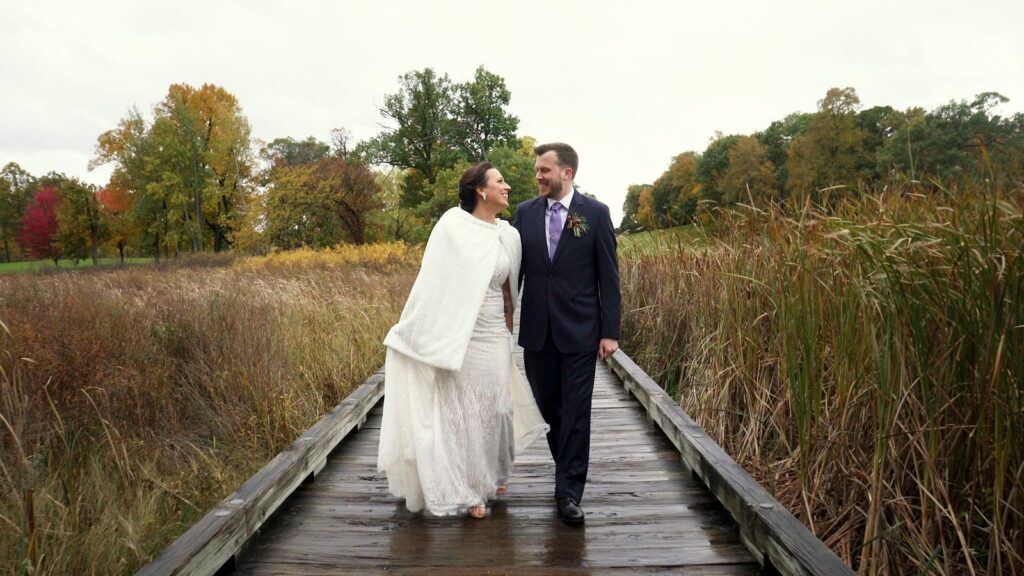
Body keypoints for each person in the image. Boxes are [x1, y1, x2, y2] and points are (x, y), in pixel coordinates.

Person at [377, 162, 549, 519]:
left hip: (493, 333)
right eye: (500, 181)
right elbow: (434, 283)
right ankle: (472, 490)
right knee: (467, 414)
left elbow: (508, 289)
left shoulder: (509, 234)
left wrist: (507, 331)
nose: (507, 187)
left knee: (499, 409)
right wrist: (415, 331)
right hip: (461, 335)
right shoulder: (452, 226)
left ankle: (495, 472)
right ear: (480, 191)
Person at [513, 142, 621, 525]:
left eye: (544, 170)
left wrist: (610, 332)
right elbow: (514, 273)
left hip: (581, 331)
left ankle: (569, 492)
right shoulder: (523, 213)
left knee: (575, 412)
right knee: (549, 410)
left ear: (566, 173)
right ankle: (566, 469)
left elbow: (609, 277)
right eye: (538, 170)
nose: (538, 176)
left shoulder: (595, 213)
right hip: (537, 332)